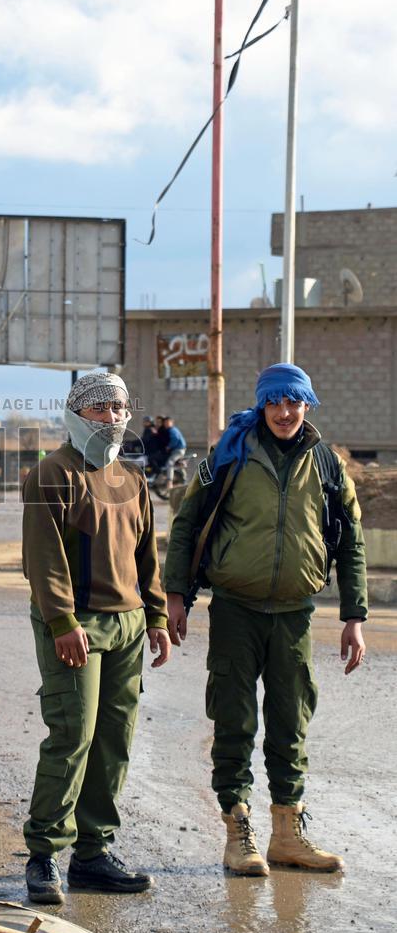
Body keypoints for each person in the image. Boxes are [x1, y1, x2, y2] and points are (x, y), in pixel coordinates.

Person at [164, 363, 367, 876]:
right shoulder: (229, 455)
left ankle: (286, 833)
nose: (284, 412)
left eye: (294, 402)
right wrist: (176, 597)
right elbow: (188, 523)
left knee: (290, 722)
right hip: (236, 609)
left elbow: (352, 543)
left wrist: (354, 615)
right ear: (262, 404)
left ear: (307, 404)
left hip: (296, 615)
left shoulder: (327, 465)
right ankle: (238, 832)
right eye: (274, 402)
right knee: (233, 720)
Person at [21, 372, 171, 904]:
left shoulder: (132, 479)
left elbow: (146, 554)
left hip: (128, 625)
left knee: (114, 741)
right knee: (72, 737)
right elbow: (43, 560)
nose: (112, 416)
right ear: (77, 413)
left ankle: (93, 854)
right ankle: (43, 857)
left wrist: (155, 617)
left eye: (120, 407)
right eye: (100, 407)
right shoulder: (50, 474)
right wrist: (62, 622)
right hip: (77, 627)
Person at [162, 415, 186, 485]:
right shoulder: (171, 430)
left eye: (168, 422)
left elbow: (175, 439)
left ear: (172, 423)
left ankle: (169, 480)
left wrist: (169, 447)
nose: (166, 424)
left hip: (178, 450)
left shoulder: (172, 430)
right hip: (178, 450)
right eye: (165, 422)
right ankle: (183, 479)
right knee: (178, 464)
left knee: (170, 462)